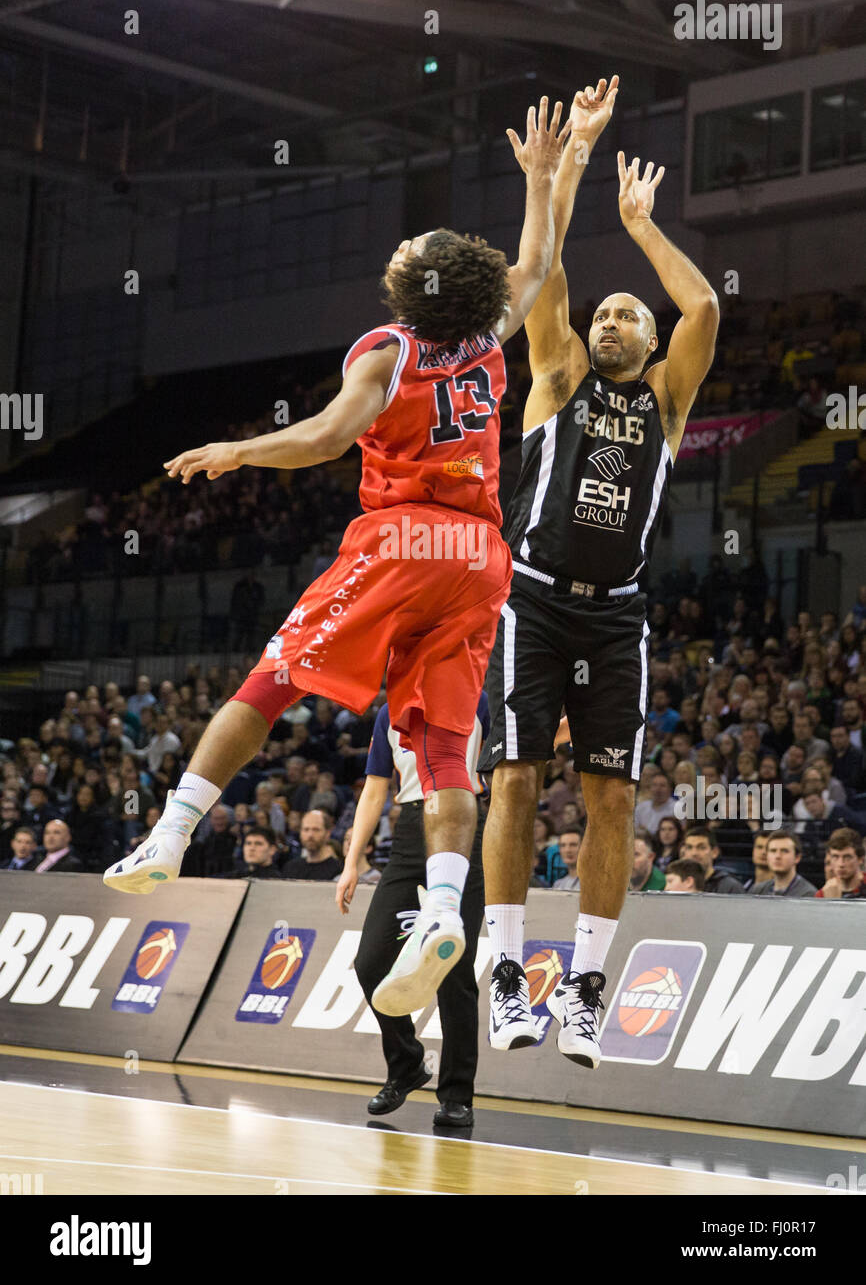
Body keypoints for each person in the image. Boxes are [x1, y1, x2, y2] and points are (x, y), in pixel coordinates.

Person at [106, 94, 566, 1025]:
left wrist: (240, 450)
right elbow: (541, 264)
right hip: (481, 556)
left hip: (402, 540)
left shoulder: (388, 349)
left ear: (420, 290)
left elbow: (323, 437)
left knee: (272, 677)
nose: (399, 253)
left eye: (411, 252)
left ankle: (170, 834)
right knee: (441, 748)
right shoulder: (486, 338)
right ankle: (443, 908)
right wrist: (541, 179)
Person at [480, 79, 719, 1068]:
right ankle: (505, 978)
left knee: (611, 798)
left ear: (653, 343)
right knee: (516, 780)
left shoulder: (665, 402)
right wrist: (569, 162)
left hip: (616, 617)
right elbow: (545, 270)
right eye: (609, 311)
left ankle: (582, 988)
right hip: (530, 602)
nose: (615, 318)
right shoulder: (557, 375)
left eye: (631, 313)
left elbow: (700, 299)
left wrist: (643, 226)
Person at [338, 693, 488, 1128]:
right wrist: (352, 862)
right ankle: (406, 1063)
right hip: (410, 829)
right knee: (371, 961)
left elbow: (523, 747)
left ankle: (458, 1094)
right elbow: (373, 789)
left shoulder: (479, 701)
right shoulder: (390, 711)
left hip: (464, 825)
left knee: (454, 967)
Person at [748, 830, 816, 898]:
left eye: (784, 851)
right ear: (767, 855)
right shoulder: (757, 890)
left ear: (797, 857)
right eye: (773, 851)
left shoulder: (808, 894)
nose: (778, 856)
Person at [281, 810, 344, 881]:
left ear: (327, 833)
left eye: (316, 829)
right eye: (306, 829)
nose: (310, 835)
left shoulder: (339, 870)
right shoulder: (290, 868)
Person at [680, 826, 745, 894]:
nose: (694, 853)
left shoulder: (730, 886)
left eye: (701, 847)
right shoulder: (676, 883)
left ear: (714, 852)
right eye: (689, 847)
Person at [815, 828, 866, 899]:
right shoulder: (823, 894)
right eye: (835, 857)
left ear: (861, 859)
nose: (841, 864)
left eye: (847, 857)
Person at [218, 826, 283, 880]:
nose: (252, 848)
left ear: (272, 850)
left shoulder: (277, 880)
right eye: (248, 843)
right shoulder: (233, 877)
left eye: (258, 844)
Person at [634, 772, 677, 836]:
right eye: (654, 785)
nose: (658, 789)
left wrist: (647, 832)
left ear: (670, 789)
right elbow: (634, 830)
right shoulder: (641, 807)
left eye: (662, 785)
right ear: (650, 788)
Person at [552, 826, 582, 891]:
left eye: (573, 845)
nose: (567, 850)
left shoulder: (593, 882)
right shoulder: (557, 885)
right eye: (563, 845)